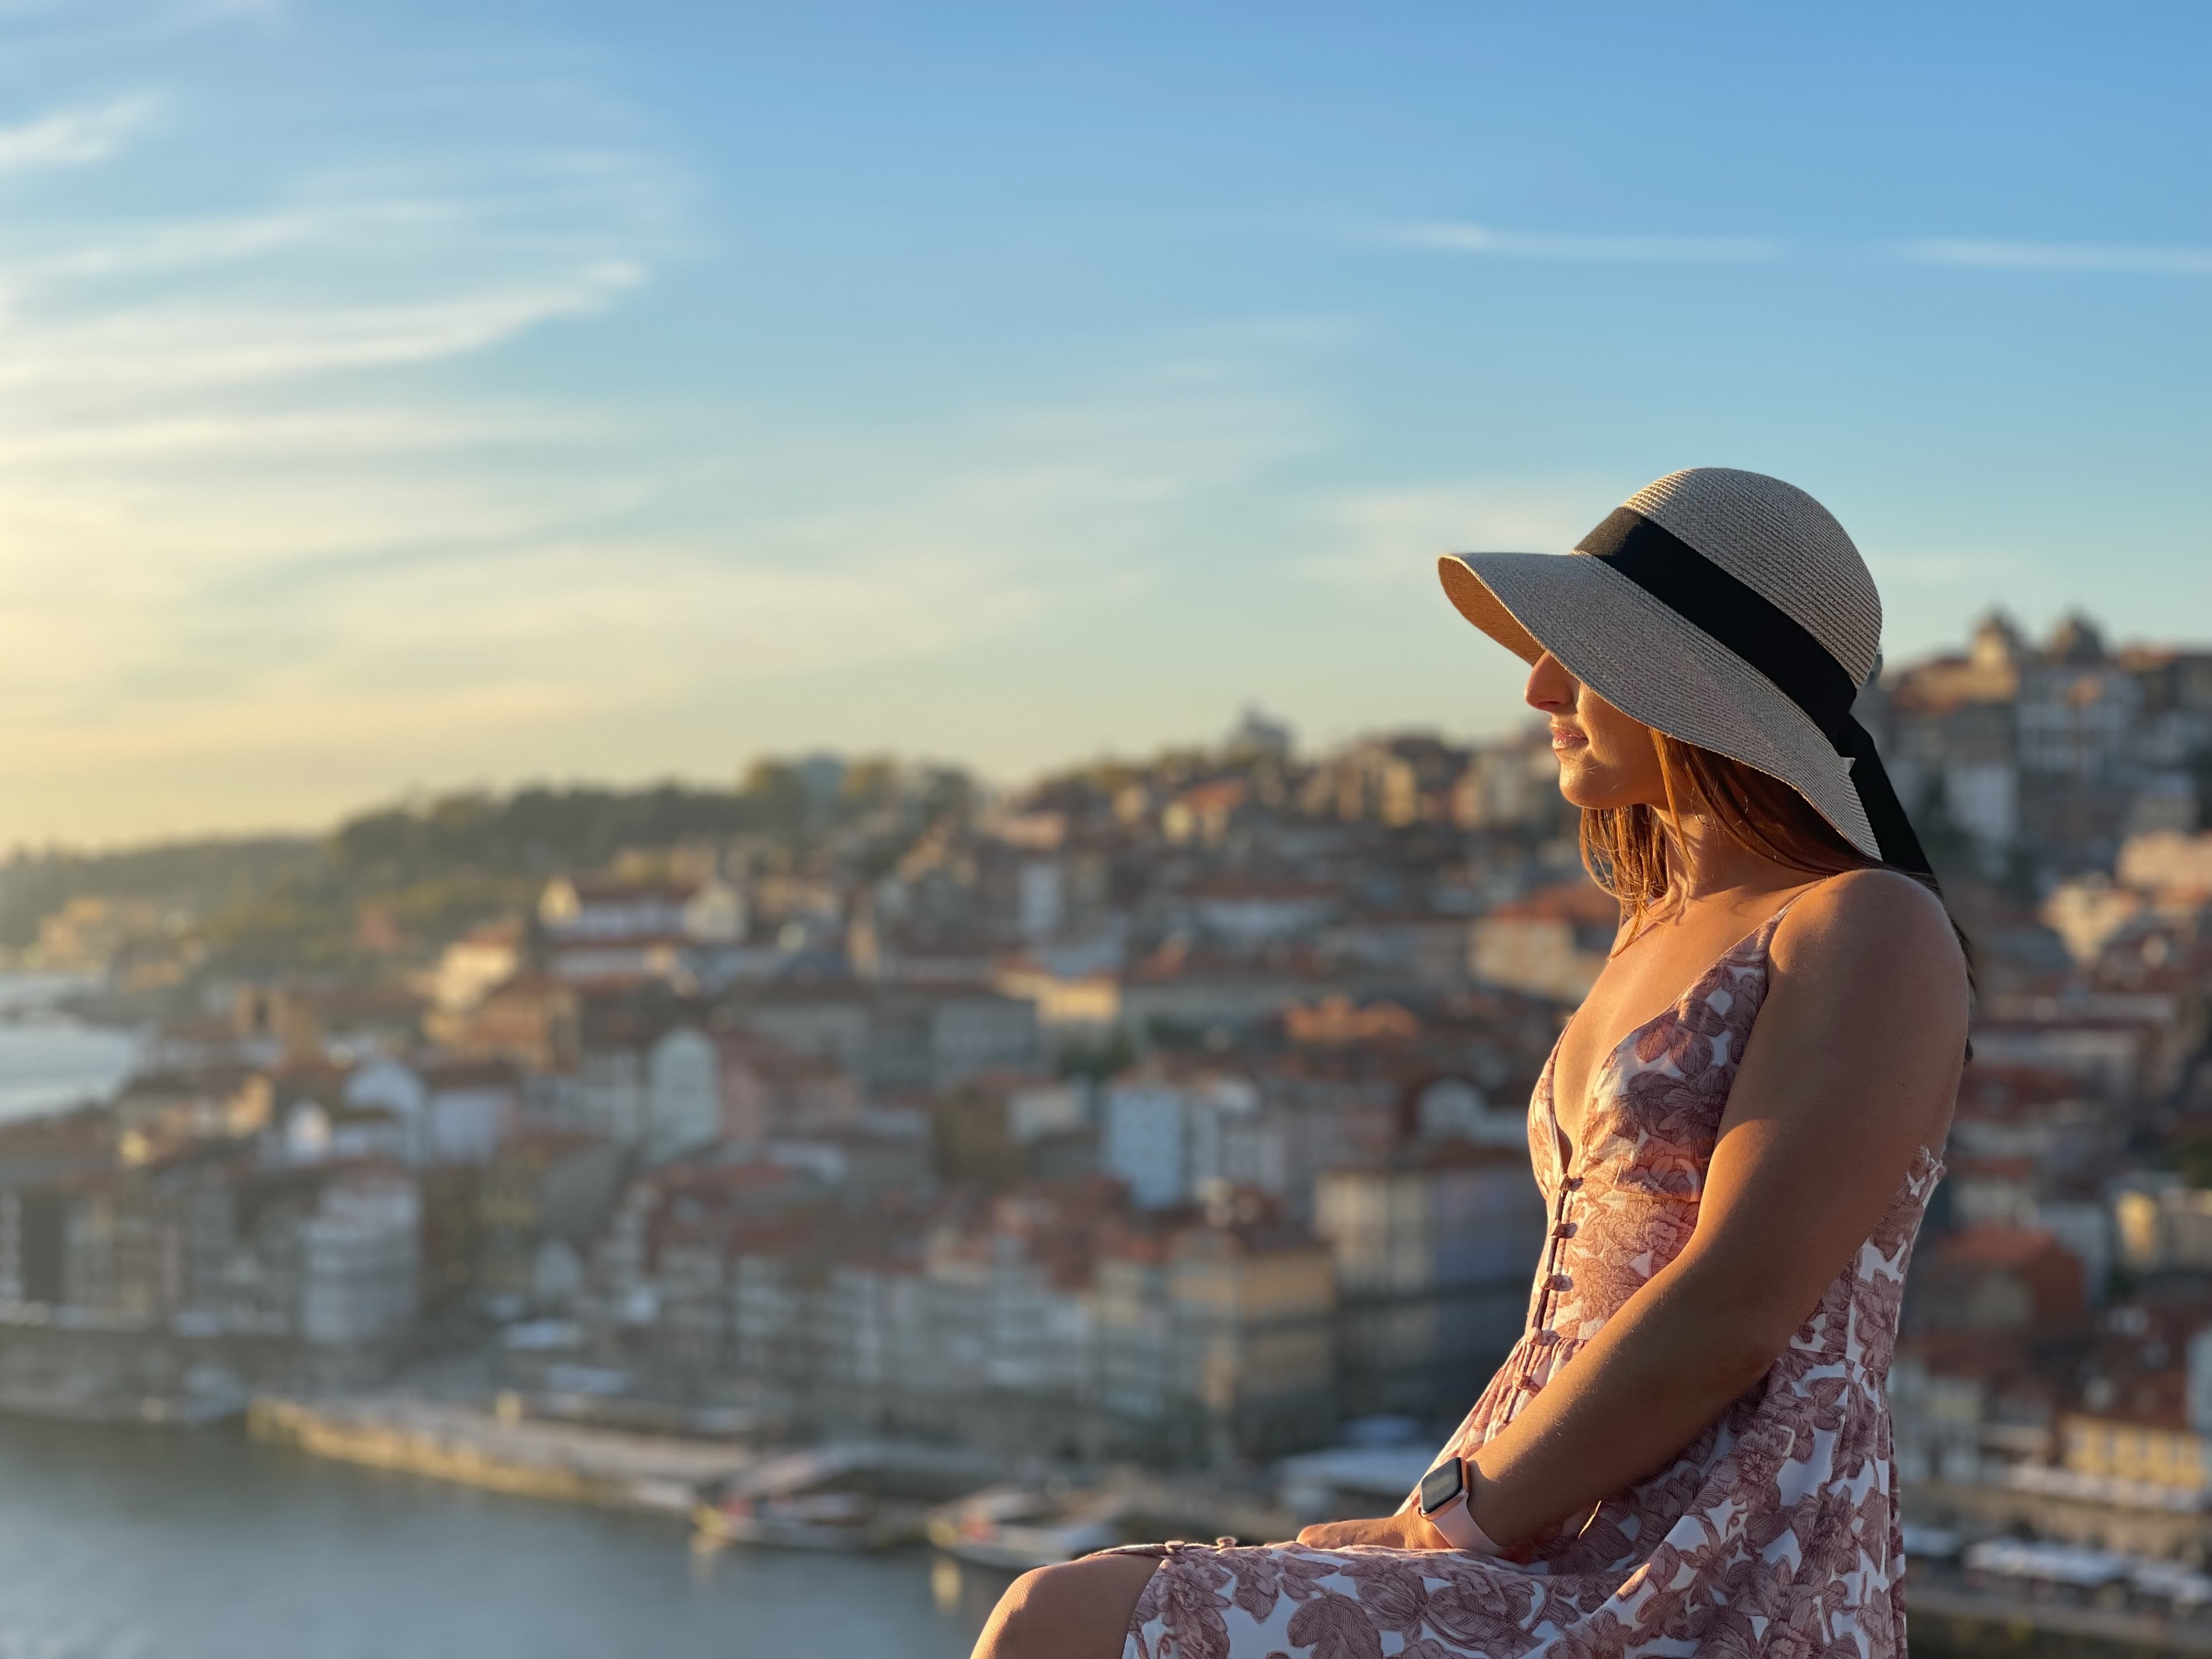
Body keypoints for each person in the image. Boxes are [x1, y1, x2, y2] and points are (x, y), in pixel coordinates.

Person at [970, 468, 1970, 1659]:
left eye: (1587, 656)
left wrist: (1453, 1524)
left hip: (1720, 1560)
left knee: (1065, 1620)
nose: (1538, 684)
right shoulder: (1648, 931)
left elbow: (1736, 1308)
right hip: (1531, 1510)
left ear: (1700, 687)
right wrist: (1435, 1513)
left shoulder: (1867, 926)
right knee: (1091, 1597)